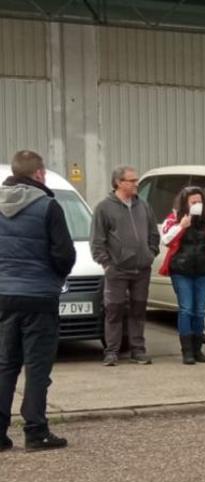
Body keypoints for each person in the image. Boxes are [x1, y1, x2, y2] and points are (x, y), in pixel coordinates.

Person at [0, 150, 76, 451]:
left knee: (5, 364)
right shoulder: (48, 207)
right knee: (37, 366)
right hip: (39, 296)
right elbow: (64, 254)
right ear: (39, 174)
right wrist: (55, 278)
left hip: (4, 296)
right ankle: (35, 430)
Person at [90, 166, 160, 367]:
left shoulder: (143, 206)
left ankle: (137, 349)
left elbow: (153, 233)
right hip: (117, 270)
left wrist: (151, 253)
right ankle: (111, 351)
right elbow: (97, 240)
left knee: (138, 310)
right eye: (132, 180)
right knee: (114, 310)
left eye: (136, 180)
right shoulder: (104, 207)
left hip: (142, 269)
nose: (136, 183)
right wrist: (106, 264)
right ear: (119, 183)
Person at [159, 187, 205, 365]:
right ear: (185, 203)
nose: (197, 205)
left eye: (199, 202)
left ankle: (198, 349)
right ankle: (187, 351)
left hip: (203, 271)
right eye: (193, 202)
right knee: (186, 308)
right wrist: (181, 226)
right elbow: (166, 239)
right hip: (181, 270)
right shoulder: (175, 218)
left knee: (200, 311)